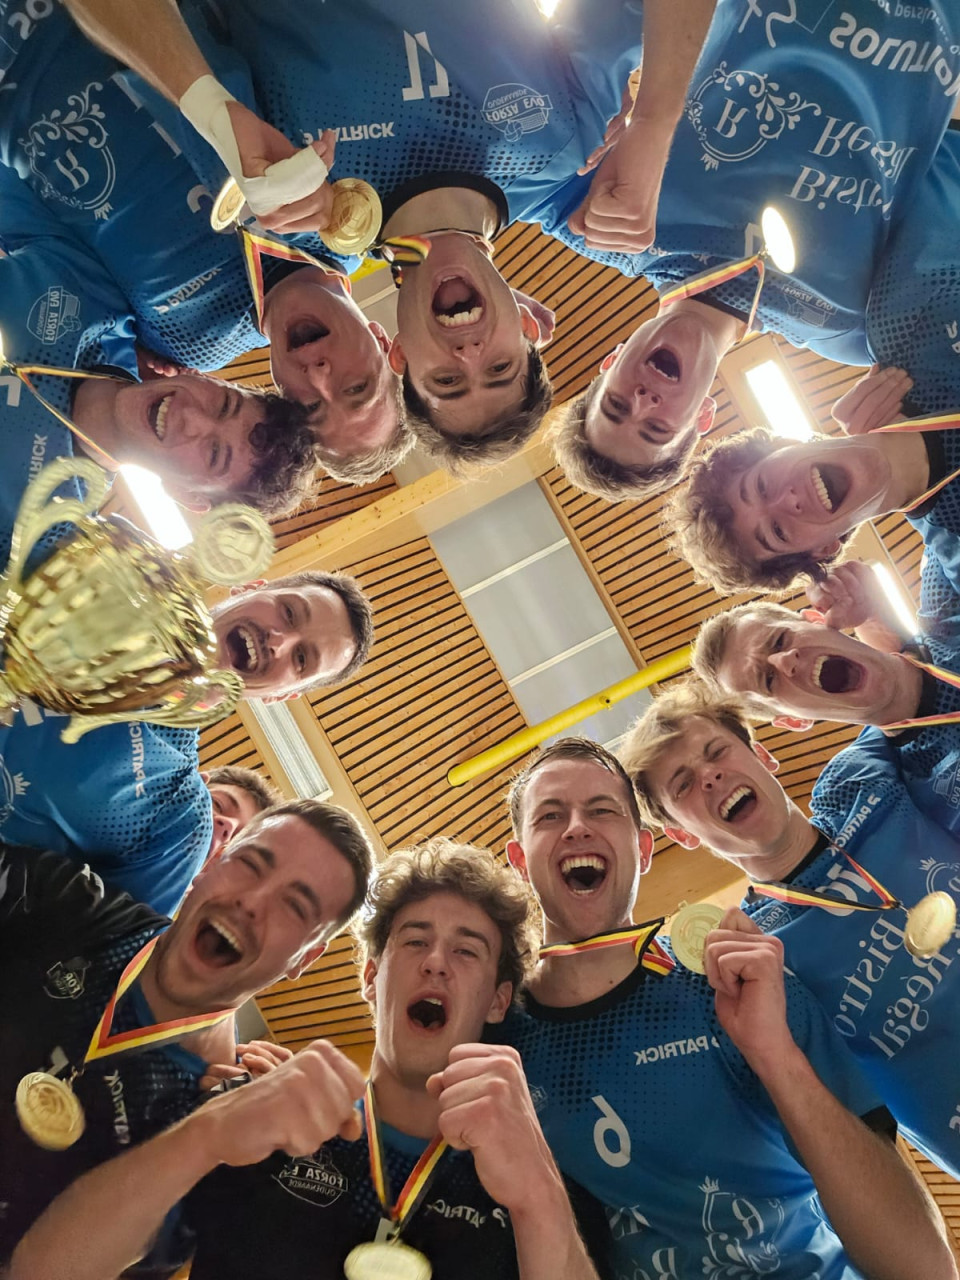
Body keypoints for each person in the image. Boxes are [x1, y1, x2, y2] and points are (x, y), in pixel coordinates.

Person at [2, 0, 726, 468]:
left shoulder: (296, 197)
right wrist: (655, 121)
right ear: (529, 324)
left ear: (403, 351)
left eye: (446, 380)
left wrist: (221, 121)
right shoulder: (569, 146)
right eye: (499, 368)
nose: (468, 353)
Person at [9, 839, 608, 1280]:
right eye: (415, 941)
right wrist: (206, 1134)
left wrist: (538, 1198)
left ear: (499, 1000)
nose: (435, 962)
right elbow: (42, 1270)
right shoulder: (261, 1121)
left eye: (466, 951)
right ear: (371, 978)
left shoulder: (545, 1192)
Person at [499, 736, 956, 1277]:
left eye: (602, 810)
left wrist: (774, 1053)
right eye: (551, 815)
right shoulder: (501, 1046)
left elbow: (924, 1268)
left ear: (643, 851)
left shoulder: (741, 985)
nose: (577, 827)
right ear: (519, 861)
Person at [0, 797, 374, 1268]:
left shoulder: (224, 1136)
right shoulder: (70, 905)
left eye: (295, 907)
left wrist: (204, 1136)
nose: (251, 902)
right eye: (250, 865)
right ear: (211, 863)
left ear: (304, 958)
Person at [621, 680, 960, 1183]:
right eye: (684, 785)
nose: (710, 776)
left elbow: (924, 681)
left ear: (762, 754)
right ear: (681, 833)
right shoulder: (754, 959)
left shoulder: (858, 781)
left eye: (716, 752)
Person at [0, 569, 371, 917]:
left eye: (302, 658)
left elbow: (87, 954)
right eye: (288, 612)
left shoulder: (178, 823)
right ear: (250, 587)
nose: (278, 641)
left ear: (282, 696)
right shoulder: (93, 573)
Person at [0, 178, 320, 541]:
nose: (191, 416)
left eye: (214, 453)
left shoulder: (41, 530)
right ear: (209, 378)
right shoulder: (96, 298)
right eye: (223, 404)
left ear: (187, 495)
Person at [691, 559, 960, 841]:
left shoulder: (946, 592)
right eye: (768, 680)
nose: (786, 661)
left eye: (780, 640)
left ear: (817, 620)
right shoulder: (908, 805)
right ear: (794, 721)